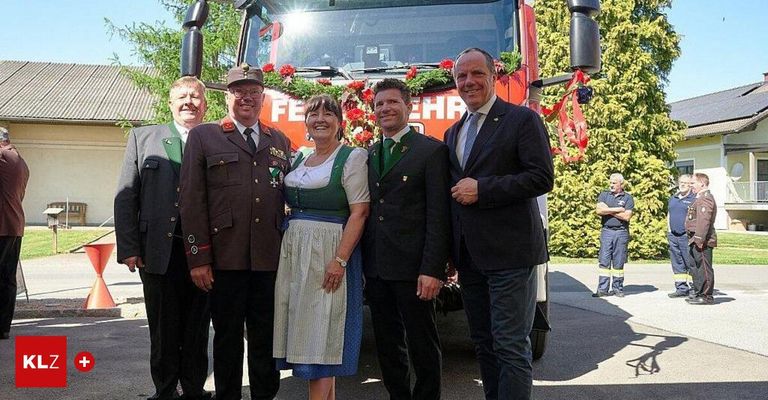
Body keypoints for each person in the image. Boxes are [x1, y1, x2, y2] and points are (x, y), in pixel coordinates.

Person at [443, 48, 554, 400]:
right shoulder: (453, 132)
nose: (469, 82)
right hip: (470, 258)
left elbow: (541, 177)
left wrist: (484, 189)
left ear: (493, 77)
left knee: (510, 345)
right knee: (484, 344)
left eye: (477, 74)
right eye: (462, 77)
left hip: (511, 254)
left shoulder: (521, 120)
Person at [180, 64, 291, 400]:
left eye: (253, 92)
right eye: (239, 91)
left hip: (268, 260)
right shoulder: (205, 136)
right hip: (224, 260)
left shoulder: (279, 140)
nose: (247, 97)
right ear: (228, 96)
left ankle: (264, 396)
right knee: (227, 338)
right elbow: (191, 199)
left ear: (263, 97)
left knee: (266, 338)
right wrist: (198, 258)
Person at [114, 76, 211, 400]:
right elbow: (126, 195)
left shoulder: (217, 140)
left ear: (205, 105)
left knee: (197, 328)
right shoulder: (143, 138)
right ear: (170, 104)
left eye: (195, 97)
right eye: (181, 97)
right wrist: (128, 247)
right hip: (158, 251)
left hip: (203, 253)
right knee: (163, 328)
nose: (188, 102)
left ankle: (195, 390)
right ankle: (165, 390)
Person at [273, 95, 370, 400]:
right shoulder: (299, 157)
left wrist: (339, 260)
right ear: (306, 124)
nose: (320, 119)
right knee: (309, 332)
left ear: (340, 123)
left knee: (322, 335)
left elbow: (360, 212)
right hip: (296, 253)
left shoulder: (351, 158)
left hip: (328, 250)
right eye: (314, 114)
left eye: (329, 114)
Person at [363, 78, 451, 400]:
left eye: (392, 102)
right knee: (388, 345)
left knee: (422, 344)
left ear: (408, 106)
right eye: (379, 104)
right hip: (377, 269)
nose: (385, 108)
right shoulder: (370, 154)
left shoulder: (431, 151)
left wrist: (433, 269)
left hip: (415, 270)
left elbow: (439, 216)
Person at [0, 127, 29, 341]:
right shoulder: (21, 161)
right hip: (15, 225)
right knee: (8, 277)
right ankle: (3, 327)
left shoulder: (2, 156)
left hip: (2, 224)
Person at [594, 173, 634, 298]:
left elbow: (627, 216)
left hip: (621, 232)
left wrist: (609, 210)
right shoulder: (604, 195)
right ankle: (602, 289)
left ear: (621, 184)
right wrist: (618, 209)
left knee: (618, 261)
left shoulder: (628, 198)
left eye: (614, 183)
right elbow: (599, 211)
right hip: (607, 231)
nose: (611, 185)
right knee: (604, 260)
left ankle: (617, 288)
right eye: (610, 182)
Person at [685, 172, 717, 305]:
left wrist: (699, 238)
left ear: (702, 183)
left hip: (702, 239)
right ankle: (698, 292)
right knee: (696, 267)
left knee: (704, 267)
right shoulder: (699, 198)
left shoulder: (706, 198)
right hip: (694, 237)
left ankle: (706, 295)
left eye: (693, 183)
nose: (691, 186)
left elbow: (704, 221)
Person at [667, 174, 696, 298]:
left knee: (689, 261)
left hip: (686, 236)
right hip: (673, 235)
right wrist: (668, 230)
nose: (683, 185)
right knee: (677, 262)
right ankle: (681, 288)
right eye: (681, 182)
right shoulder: (673, 198)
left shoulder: (694, 199)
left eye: (686, 183)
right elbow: (669, 214)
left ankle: (694, 288)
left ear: (691, 185)